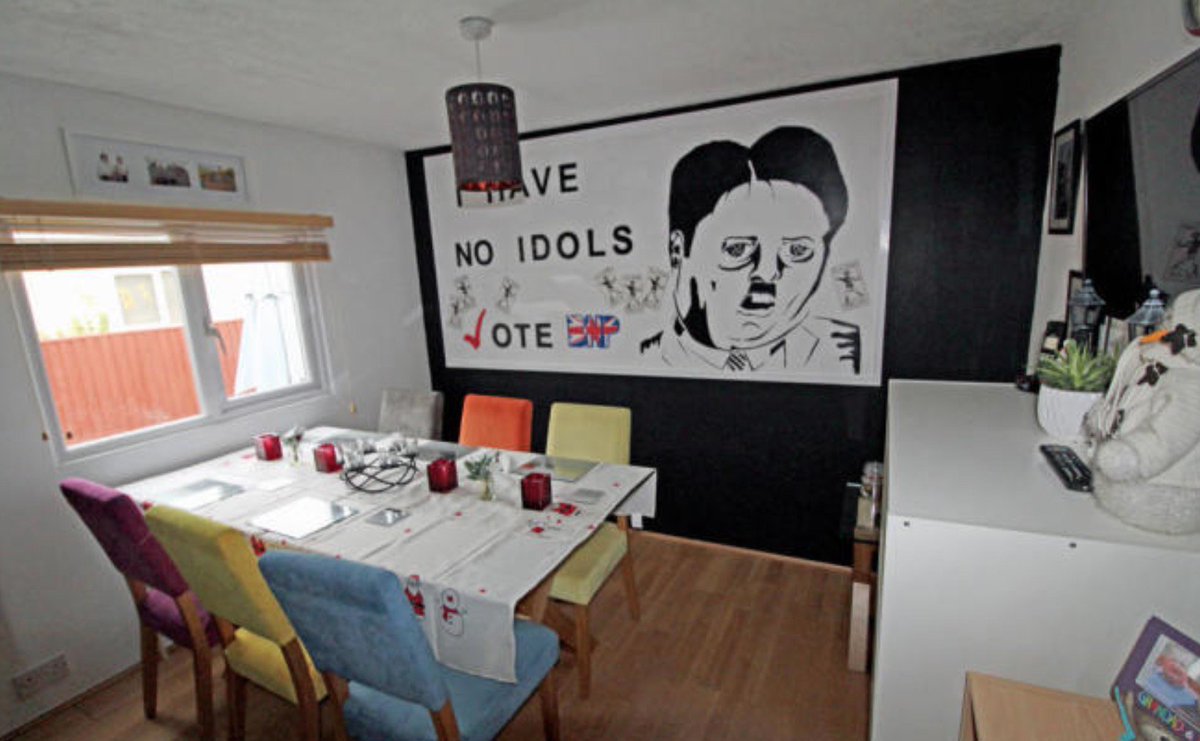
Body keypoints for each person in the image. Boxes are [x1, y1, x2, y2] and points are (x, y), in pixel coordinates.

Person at [640, 126, 860, 373]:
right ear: (678, 250)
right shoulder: (644, 359)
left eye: (798, 251)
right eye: (738, 250)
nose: (768, 272)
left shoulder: (842, 353)